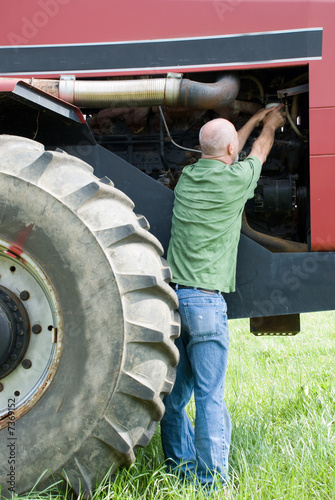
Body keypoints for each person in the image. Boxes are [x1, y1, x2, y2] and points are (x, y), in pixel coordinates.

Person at [161, 105, 286, 490]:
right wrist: (272, 123)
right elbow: (259, 151)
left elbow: (228, 148)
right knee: (210, 397)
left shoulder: (188, 178)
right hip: (205, 306)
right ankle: (211, 483)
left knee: (174, 397)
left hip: (172, 305)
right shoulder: (236, 182)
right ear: (232, 150)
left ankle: (179, 470)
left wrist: (250, 122)